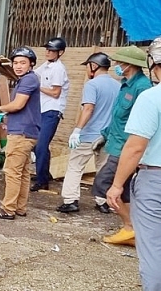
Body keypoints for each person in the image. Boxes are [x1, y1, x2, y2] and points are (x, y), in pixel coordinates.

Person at [106, 37, 161, 290]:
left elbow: (136, 146)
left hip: (155, 180)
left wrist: (117, 185)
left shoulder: (152, 97)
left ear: (155, 65)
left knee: (152, 247)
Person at [92, 46, 152, 245]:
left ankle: (130, 226)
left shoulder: (142, 87)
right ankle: (132, 230)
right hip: (116, 143)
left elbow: (141, 123)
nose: (117, 65)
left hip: (126, 147)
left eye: (120, 62)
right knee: (124, 189)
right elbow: (118, 116)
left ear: (130, 65)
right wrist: (104, 135)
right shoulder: (125, 84)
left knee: (104, 184)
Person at [56, 52, 119, 213]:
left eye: (87, 66)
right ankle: (102, 202)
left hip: (89, 134)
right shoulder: (118, 85)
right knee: (103, 168)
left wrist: (77, 130)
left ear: (93, 66)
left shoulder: (92, 85)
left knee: (75, 166)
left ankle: (71, 200)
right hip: (108, 135)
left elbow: (88, 108)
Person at [0, 47, 41, 220]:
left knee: (12, 171)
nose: (18, 66)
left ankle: (7, 209)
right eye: (15, 63)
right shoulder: (28, 79)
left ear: (31, 64)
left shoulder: (28, 80)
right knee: (22, 172)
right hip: (26, 131)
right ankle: (19, 208)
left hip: (21, 133)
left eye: (23, 63)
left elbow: (17, 105)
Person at [31, 37, 70, 191]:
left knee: (41, 145)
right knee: (36, 144)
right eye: (47, 49)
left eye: (51, 50)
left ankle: (42, 181)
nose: (47, 52)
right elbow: (34, 74)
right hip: (42, 109)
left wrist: (37, 86)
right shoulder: (46, 66)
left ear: (60, 52)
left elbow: (55, 92)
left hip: (52, 111)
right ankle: (44, 174)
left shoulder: (58, 69)